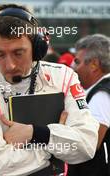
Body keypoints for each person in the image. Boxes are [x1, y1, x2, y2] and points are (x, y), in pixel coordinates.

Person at [0, 4, 99, 176]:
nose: (9, 65)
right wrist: (53, 146)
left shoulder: (63, 77)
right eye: (0, 54)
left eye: (18, 53)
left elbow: (87, 145)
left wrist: (34, 133)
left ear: (37, 47)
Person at [68, 34, 110, 176]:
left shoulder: (102, 95)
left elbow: (90, 144)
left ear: (94, 65)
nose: (72, 67)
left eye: (77, 61)